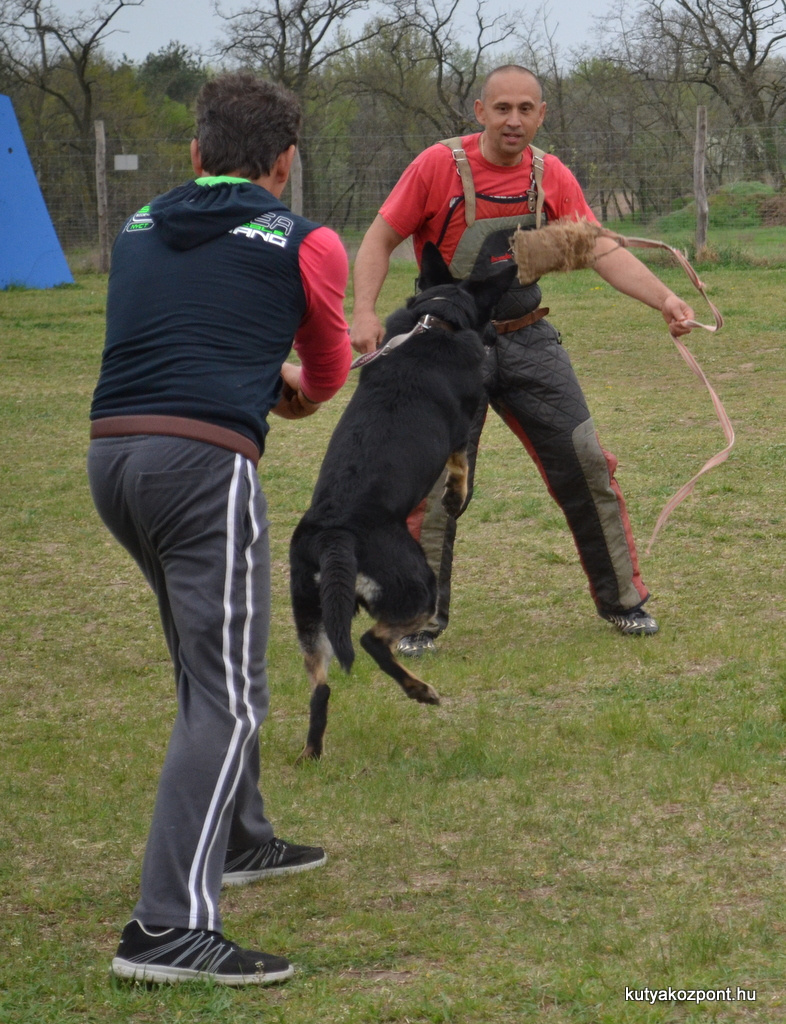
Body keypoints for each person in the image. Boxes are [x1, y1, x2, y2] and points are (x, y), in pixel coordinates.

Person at [87, 73, 352, 985]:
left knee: (204, 664)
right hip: (203, 467)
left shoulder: (137, 227)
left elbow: (178, 326)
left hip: (113, 458)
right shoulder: (307, 240)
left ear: (194, 155)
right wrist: (292, 393)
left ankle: (240, 839)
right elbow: (325, 372)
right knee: (231, 693)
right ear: (284, 164)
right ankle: (166, 929)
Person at [351, 64, 696, 655]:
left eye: (526, 109)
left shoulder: (550, 174)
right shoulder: (437, 166)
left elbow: (601, 250)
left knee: (586, 460)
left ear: (541, 115)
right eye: (502, 108)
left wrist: (665, 298)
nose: (514, 120)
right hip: (446, 346)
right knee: (438, 482)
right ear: (479, 111)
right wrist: (363, 312)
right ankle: (418, 617)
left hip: (529, 340)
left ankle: (623, 601)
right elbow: (379, 239)